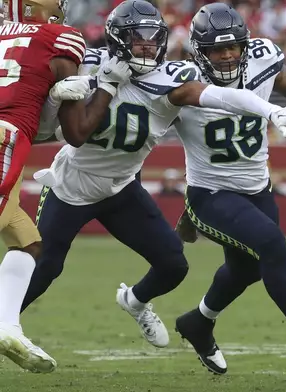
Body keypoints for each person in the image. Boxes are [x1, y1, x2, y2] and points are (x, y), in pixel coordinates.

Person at [20, 0, 286, 352]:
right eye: (136, 38)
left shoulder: (170, 78)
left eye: (152, 38)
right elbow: (48, 120)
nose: (146, 46)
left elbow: (221, 95)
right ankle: (7, 321)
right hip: (71, 185)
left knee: (173, 264)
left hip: (121, 187)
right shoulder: (89, 64)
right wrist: (61, 97)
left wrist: (271, 110)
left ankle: (135, 301)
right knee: (46, 266)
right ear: (117, 40)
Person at [171, 3, 286, 381]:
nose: (227, 56)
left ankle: (198, 322)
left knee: (248, 269)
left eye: (232, 47)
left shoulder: (261, 62)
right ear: (198, 52)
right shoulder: (181, 81)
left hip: (257, 188)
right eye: (215, 50)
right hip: (210, 192)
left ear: (245, 44)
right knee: (271, 244)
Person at [0, 0, 93, 373]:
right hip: (5, 138)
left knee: (27, 241)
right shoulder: (59, 38)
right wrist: (63, 99)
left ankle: (7, 325)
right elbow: (74, 133)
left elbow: (19, 98)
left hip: (12, 133)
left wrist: (49, 99)